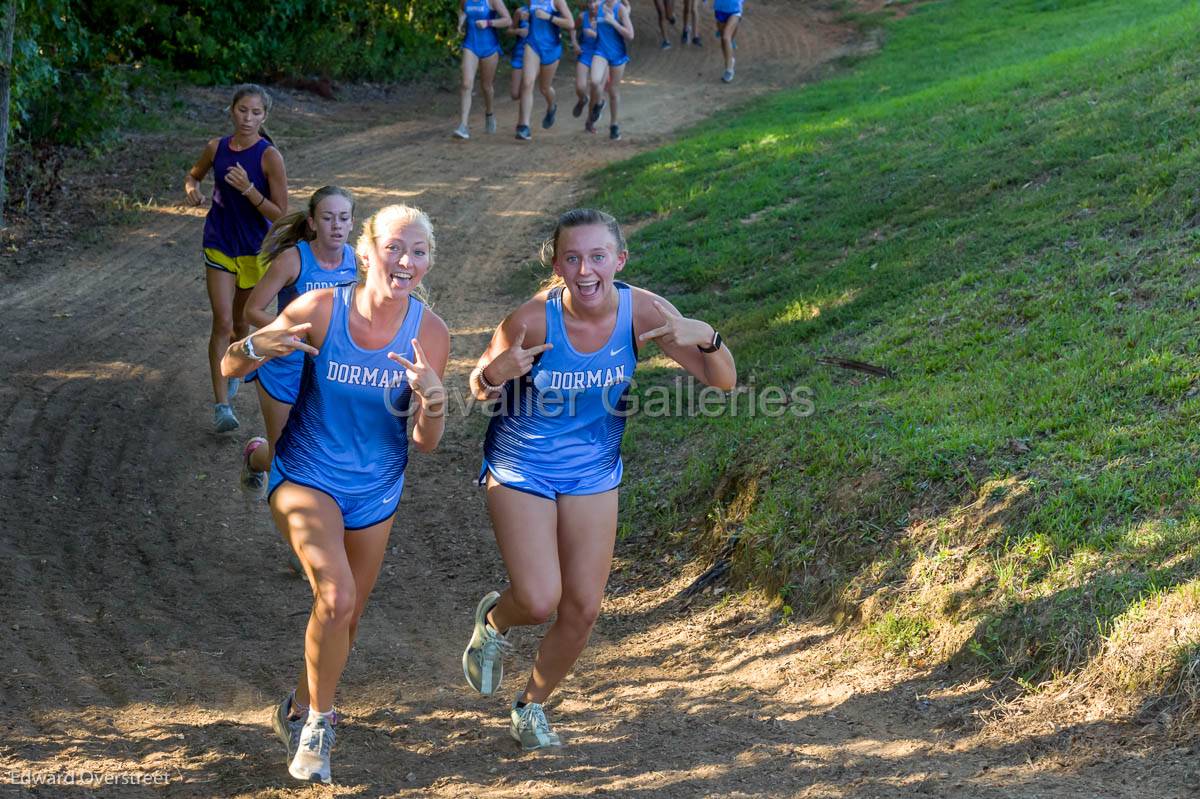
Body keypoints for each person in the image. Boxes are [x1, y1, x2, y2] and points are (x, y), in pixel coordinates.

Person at [462, 208, 736, 750]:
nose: (585, 270)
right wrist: (495, 373)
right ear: (558, 265)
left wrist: (706, 335)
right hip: (523, 462)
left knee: (583, 608)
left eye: (597, 257)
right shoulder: (534, 319)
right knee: (540, 599)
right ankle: (494, 623)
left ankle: (531, 706)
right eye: (572, 258)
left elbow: (722, 380)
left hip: (592, 467)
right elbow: (478, 384)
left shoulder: (645, 312)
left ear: (619, 260)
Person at [222, 205, 449, 783]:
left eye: (418, 251)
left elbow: (425, 443)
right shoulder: (322, 308)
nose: (406, 261)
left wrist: (434, 401)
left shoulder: (430, 333)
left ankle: (295, 708)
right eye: (396, 248)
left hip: (377, 488)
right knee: (336, 593)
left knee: (344, 616)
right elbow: (231, 362)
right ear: (366, 253)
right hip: (305, 474)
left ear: (428, 262)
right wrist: (259, 344)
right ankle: (319, 726)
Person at [238, 186, 360, 498]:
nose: (336, 225)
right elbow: (252, 309)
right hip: (284, 366)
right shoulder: (293, 260)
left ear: (351, 223)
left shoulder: (358, 263)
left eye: (343, 218)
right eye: (328, 218)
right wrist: (292, 332)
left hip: (328, 369)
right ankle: (255, 456)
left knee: (326, 446)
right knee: (283, 454)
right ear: (312, 222)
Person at [185, 84, 288, 433]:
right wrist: (192, 189)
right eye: (243, 110)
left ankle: (232, 370)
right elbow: (193, 175)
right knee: (224, 322)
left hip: (254, 251)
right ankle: (221, 407)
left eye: (256, 112)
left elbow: (280, 214)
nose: (248, 118)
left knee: (242, 325)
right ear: (232, 110)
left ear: (265, 116)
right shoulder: (216, 148)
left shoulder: (268, 156)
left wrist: (248, 189)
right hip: (219, 244)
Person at [515, 0, 575, 141]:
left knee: (544, 88)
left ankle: (551, 106)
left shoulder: (557, 2)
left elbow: (570, 23)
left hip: (551, 48)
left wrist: (549, 17)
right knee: (527, 83)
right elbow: (530, 15)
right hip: (533, 45)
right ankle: (524, 126)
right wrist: (526, 17)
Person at [456, 0, 513, 139]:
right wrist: (461, 21)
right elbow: (462, 10)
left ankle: (489, 113)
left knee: (486, 86)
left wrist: (488, 23)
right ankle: (463, 126)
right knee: (466, 84)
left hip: (489, 48)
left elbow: (508, 20)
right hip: (470, 45)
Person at [586, 0, 633, 141]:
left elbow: (630, 35)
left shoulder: (620, 9)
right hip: (601, 51)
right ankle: (599, 103)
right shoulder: (598, 6)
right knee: (594, 81)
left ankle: (614, 125)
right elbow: (591, 22)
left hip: (617, 54)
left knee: (613, 90)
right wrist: (595, 27)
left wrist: (613, 22)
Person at [569, 0, 600, 121]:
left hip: (600, 54)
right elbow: (572, 28)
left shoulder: (605, 17)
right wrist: (575, 43)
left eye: (595, 2)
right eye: (590, 2)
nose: (592, 5)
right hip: (585, 52)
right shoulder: (582, 16)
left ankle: (590, 120)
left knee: (595, 88)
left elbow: (613, 37)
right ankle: (582, 99)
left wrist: (595, 34)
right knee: (580, 87)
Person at [713, 0, 742, 82]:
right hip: (720, 9)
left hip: (735, 9)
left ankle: (729, 70)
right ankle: (729, 61)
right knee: (723, 39)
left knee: (726, 37)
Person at [507, 3, 531, 101]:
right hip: (520, 53)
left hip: (536, 54)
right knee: (515, 94)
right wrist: (518, 31)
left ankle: (524, 115)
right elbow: (509, 31)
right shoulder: (520, 11)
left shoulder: (545, 11)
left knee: (526, 89)